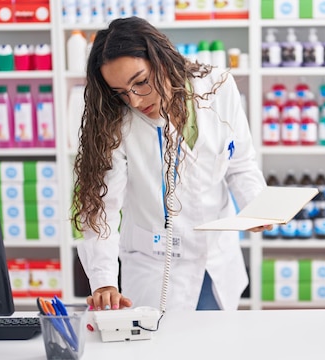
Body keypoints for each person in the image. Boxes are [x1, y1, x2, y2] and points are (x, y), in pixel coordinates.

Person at [71, 16, 270, 316]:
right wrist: (103, 282)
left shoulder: (218, 88)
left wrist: (256, 205)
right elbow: (102, 208)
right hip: (155, 268)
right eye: (122, 93)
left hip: (216, 260)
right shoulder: (117, 124)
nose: (135, 101)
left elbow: (239, 163)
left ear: (161, 59)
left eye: (140, 82)